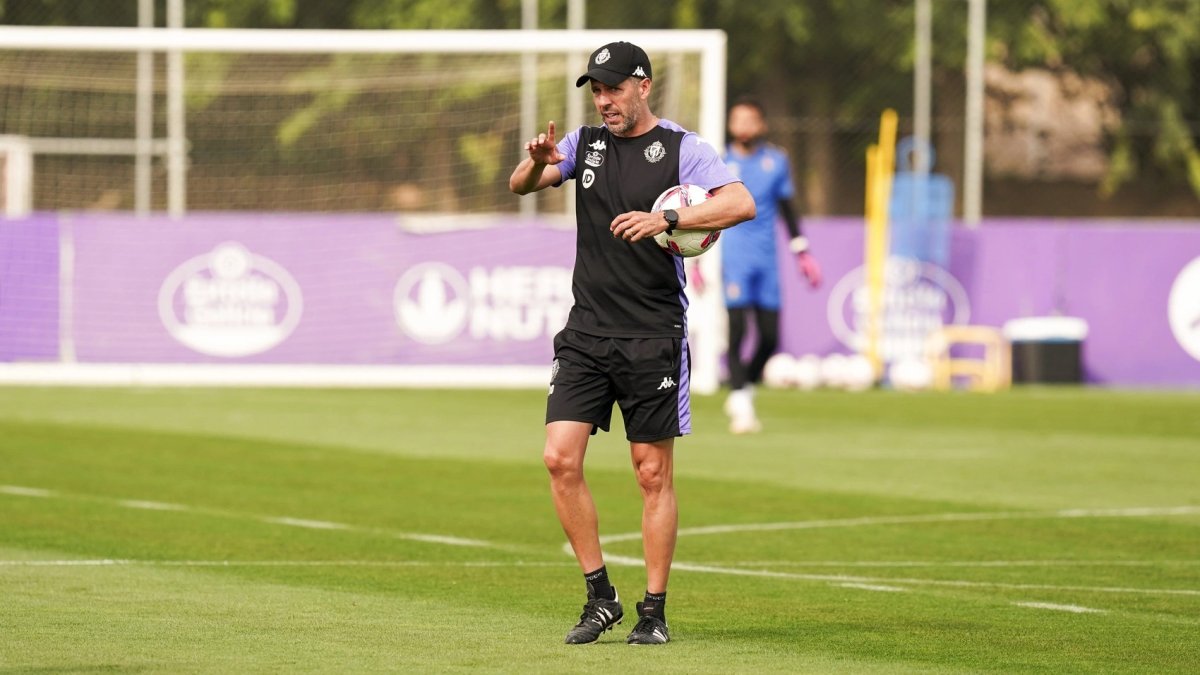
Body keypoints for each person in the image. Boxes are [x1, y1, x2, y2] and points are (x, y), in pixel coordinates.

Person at [509, 41, 754, 645]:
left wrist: (665, 220)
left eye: (614, 88)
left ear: (644, 85)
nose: (604, 100)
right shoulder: (582, 143)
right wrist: (539, 162)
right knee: (558, 457)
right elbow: (521, 185)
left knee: (651, 474)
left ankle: (654, 611)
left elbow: (740, 202)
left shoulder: (682, 149)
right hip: (587, 331)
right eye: (596, 89)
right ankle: (600, 597)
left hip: (653, 333)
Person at [720, 98, 822, 434]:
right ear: (731, 124)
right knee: (738, 329)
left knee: (769, 337)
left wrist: (802, 251)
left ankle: (744, 386)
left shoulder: (776, 161)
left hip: (767, 260)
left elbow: (787, 208)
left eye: (750, 119)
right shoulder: (718, 161)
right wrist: (695, 261)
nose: (744, 126)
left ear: (761, 125)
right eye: (738, 119)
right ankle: (740, 401)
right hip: (733, 255)